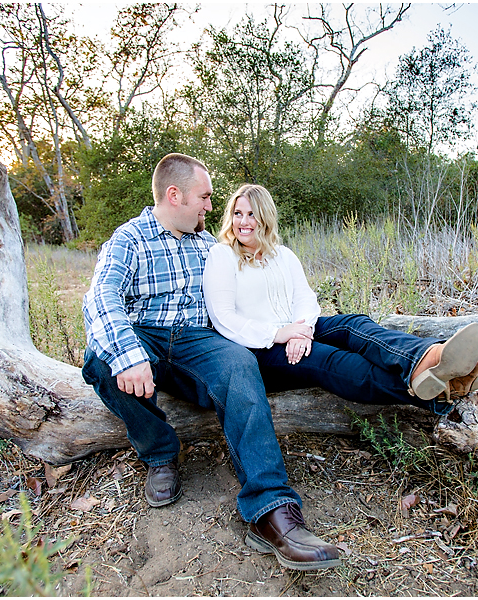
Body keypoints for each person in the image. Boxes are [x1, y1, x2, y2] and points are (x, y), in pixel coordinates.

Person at [82, 154, 340, 571]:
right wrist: (129, 355)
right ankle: (160, 452)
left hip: (197, 340)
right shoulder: (129, 239)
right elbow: (100, 298)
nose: (208, 206)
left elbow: (256, 280)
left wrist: (293, 324)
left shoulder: (209, 246)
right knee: (100, 361)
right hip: (143, 334)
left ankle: (270, 511)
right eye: (203, 197)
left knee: (239, 366)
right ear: (175, 195)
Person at [203, 184, 478, 417]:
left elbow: (305, 298)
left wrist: (300, 331)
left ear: (265, 217)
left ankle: (424, 358)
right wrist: (279, 334)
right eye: (237, 213)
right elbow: (224, 318)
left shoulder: (283, 255)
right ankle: (438, 392)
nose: (243, 221)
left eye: (251, 214)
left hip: (296, 331)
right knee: (334, 360)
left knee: (353, 324)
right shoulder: (222, 256)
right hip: (260, 350)